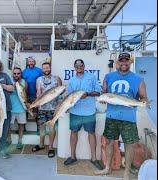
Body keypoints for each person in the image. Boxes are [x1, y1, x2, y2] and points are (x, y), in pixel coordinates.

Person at [94, 52, 148, 180]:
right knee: (108, 142)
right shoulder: (108, 76)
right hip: (112, 116)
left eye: (126, 60)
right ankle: (107, 168)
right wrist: (103, 98)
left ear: (130, 62)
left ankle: (126, 173)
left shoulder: (138, 79)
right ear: (117, 62)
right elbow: (104, 93)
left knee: (129, 145)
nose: (124, 62)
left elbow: (144, 98)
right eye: (121, 60)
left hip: (129, 118)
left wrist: (141, 103)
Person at [63, 59, 103, 170]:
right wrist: (66, 107)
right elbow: (70, 96)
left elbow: (99, 91)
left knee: (91, 133)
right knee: (73, 132)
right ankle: (72, 156)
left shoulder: (92, 77)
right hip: (75, 111)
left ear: (84, 66)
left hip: (89, 111)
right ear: (74, 67)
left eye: (81, 65)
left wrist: (88, 94)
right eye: (77, 66)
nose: (79, 67)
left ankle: (94, 158)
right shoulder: (71, 80)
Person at [31, 62, 62, 158]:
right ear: (42, 69)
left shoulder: (57, 78)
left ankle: (51, 147)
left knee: (52, 128)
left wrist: (59, 106)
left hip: (53, 108)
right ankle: (41, 145)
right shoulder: (39, 79)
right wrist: (37, 104)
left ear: (50, 68)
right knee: (41, 127)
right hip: (42, 108)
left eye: (47, 67)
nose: (46, 69)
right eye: (44, 68)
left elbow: (61, 92)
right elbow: (38, 92)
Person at [8, 67, 28, 149]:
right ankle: (9, 140)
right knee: (8, 125)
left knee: (21, 126)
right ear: (12, 74)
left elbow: (25, 95)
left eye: (18, 73)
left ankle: (20, 141)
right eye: (15, 73)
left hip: (21, 109)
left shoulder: (24, 82)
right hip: (10, 108)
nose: (16, 75)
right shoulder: (9, 82)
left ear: (21, 74)